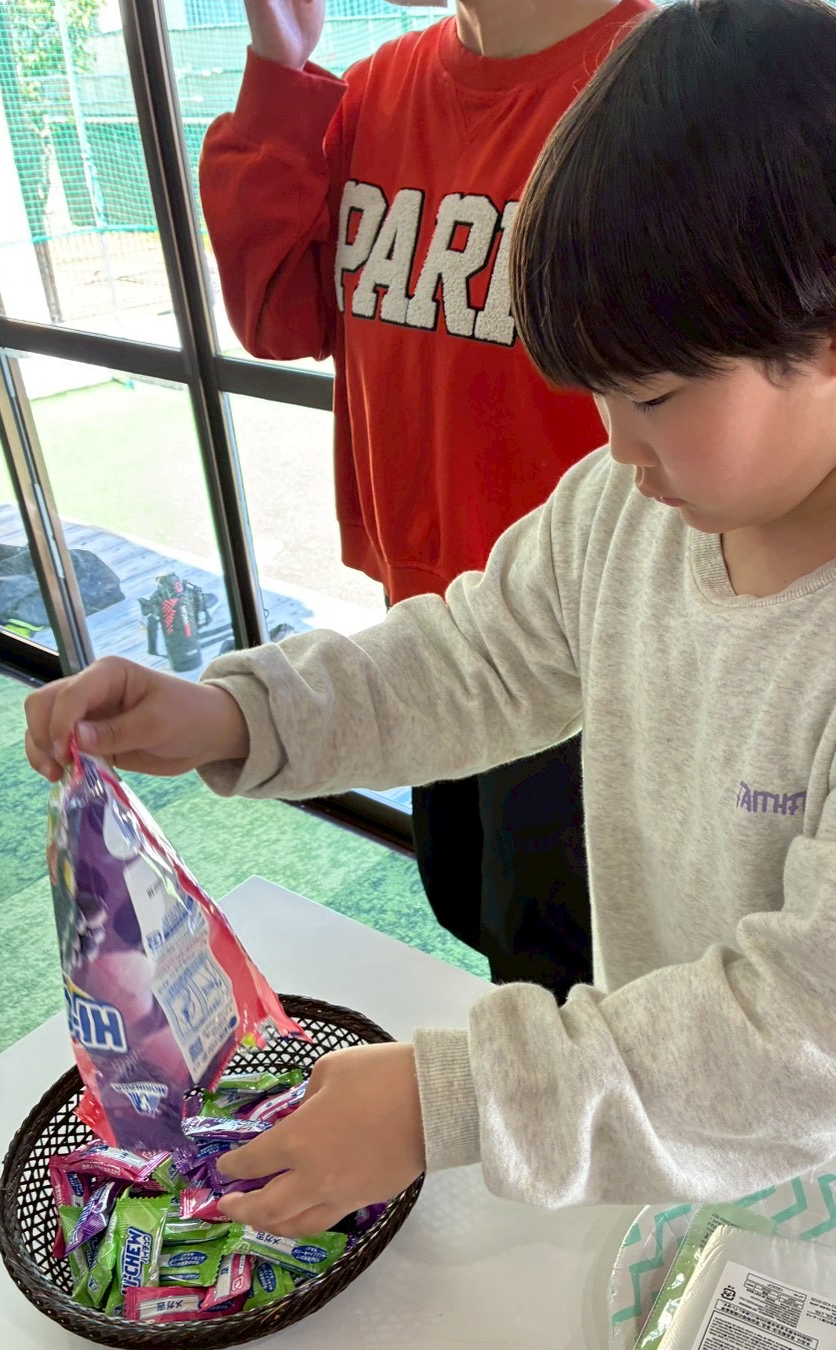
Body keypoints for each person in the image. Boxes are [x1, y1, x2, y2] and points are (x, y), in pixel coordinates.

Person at [27, 0, 836, 1234]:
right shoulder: (628, 507)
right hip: (668, 1143)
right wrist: (231, 714)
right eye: (599, 397)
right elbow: (470, 660)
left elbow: (812, 1028)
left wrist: (442, 1105)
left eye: (653, 395)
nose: (617, 448)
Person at [199, 0, 650, 1001]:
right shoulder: (379, 87)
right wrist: (278, 67)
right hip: (424, 612)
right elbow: (278, 316)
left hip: (578, 640)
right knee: (461, 893)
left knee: (563, 954)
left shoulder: (656, 83)